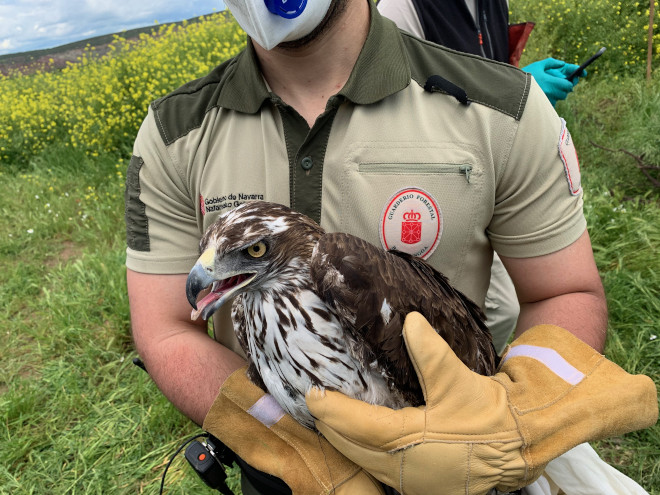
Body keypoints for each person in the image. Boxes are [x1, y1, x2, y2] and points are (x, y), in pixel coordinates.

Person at [124, 1, 657, 494]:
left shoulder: (503, 105)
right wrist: (289, 448)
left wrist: (518, 417)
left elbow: (565, 290)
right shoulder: (173, 132)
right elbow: (168, 326)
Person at [377, 0, 587, 352]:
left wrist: (519, 84)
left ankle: (475, 377)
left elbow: (486, 71)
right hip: (435, 186)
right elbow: (391, 106)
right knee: (450, 312)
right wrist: (517, 92)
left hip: (489, 173)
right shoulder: (402, 8)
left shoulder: (493, 3)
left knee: (503, 308)